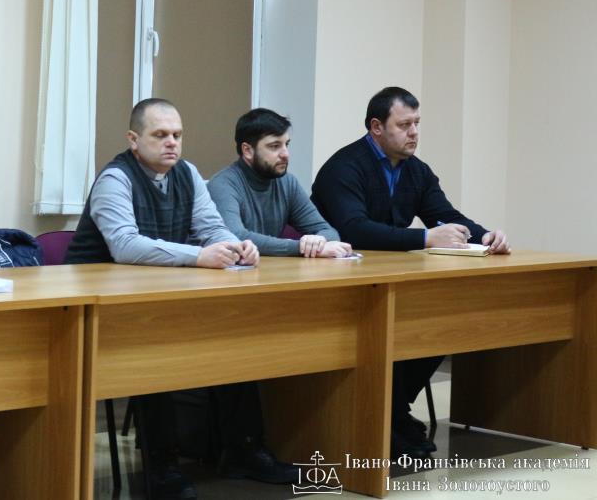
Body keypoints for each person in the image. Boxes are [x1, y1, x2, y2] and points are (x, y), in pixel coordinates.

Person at [65, 98, 295, 500]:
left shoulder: (187, 173)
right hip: (95, 307)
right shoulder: (115, 179)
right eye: (160, 135)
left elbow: (211, 227)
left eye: (177, 135)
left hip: (155, 298)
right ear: (134, 140)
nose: (172, 142)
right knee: (157, 352)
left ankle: (243, 452)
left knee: (236, 338)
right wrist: (199, 256)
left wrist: (236, 246)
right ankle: (162, 469)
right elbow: (125, 245)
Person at [310, 86, 510, 459]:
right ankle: (389, 416)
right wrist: (424, 237)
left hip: (389, 280)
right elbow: (353, 230)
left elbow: (445, 215)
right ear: (376, 127)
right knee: (400, 328)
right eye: (404, 125)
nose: (414, 132)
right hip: (337, 284)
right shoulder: (344, 168)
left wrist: (484, 236)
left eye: (417, 123)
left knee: (439, 323)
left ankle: (393, 411)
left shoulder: (416, 170)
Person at [209, 108, 353, 258]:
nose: (285, 154)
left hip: (271, 268)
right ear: (247, 150)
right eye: (274, 146)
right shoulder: (222, 185)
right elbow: (235, 237)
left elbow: (328, 232)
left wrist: (317, 242)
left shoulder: (287, 183)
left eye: (286, 144)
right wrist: (300, 247)